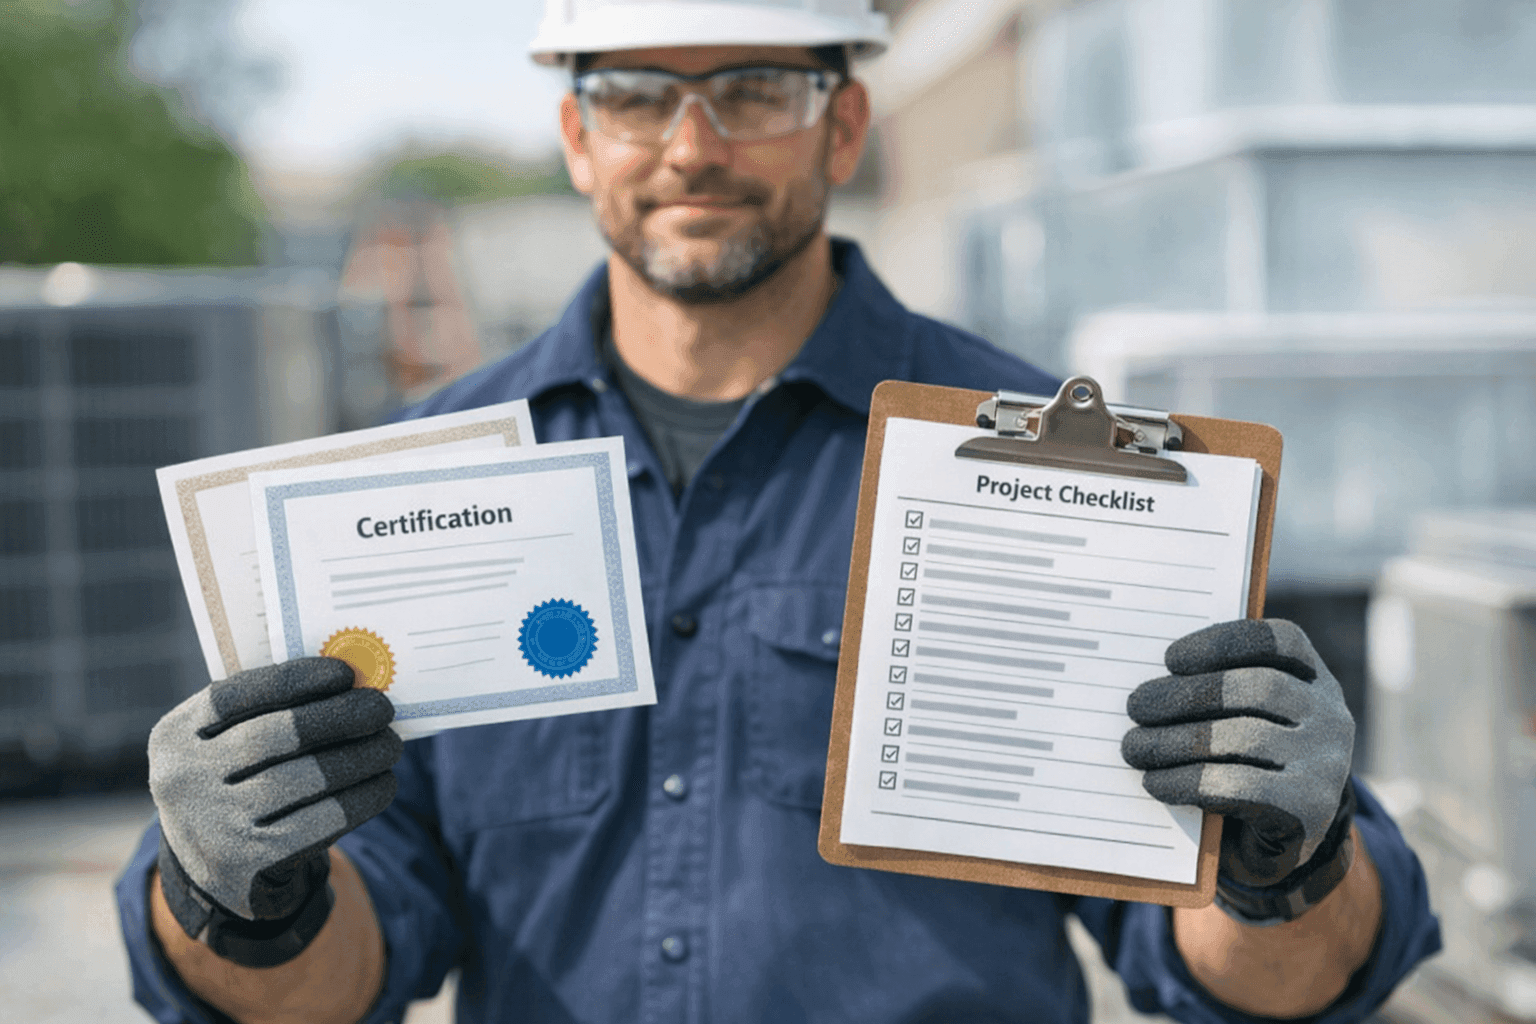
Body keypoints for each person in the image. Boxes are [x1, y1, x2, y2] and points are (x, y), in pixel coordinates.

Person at [116, 2, 1440, 1021]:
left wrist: (1288, 863)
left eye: (754, 89)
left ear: (844, 126)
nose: (693, 147)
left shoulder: (1080, 483)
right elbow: (346, 976)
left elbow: (1251, 974)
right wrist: (241, 892)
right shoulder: (412, 489)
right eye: (636, 95)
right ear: (579, 137)